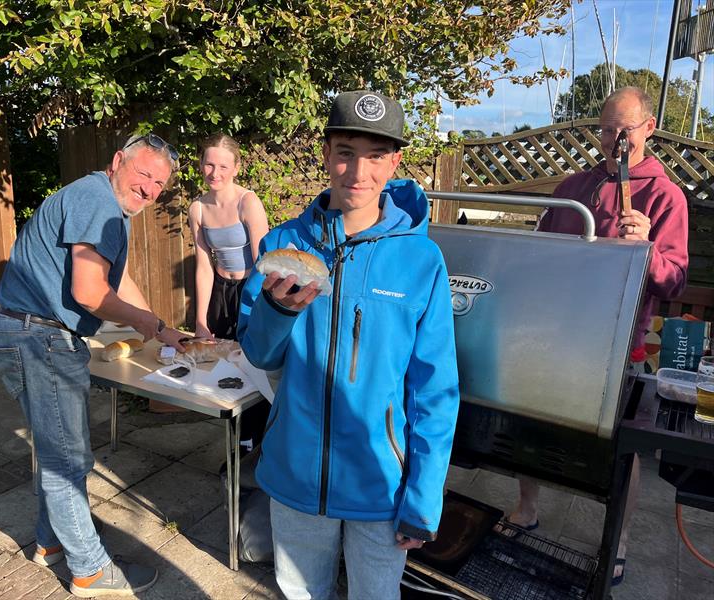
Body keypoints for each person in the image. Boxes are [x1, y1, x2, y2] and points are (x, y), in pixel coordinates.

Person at [237, 90, 461, 600]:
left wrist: (424, 500)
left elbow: (436, 391)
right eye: (345, 151)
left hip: (382, 486)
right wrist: (278, 314)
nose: (358, 171)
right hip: (294, 476)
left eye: (376, 155)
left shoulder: (422, 261)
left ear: (396, 161)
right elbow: (258, 354)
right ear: (325, 153)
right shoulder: (282, 245)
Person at [0, 133, 190, 598]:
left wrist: (160, 328)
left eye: (160, 183)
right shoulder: (98, 201)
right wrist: (142, 321)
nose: (151, 189)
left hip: (20, 330)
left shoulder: (101, 201)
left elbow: (119, 280)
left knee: (59, 450)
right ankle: (91, 570)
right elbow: (91, 293)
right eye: (144, 174)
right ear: (118, 161)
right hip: (38, 336)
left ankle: (51, 543)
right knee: (66, 460)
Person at [504, 86, 689, 586]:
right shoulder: (572, 186)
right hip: (553, 334)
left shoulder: (665, 196)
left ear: (648, 128)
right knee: (535, 426)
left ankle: (621, 538)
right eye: (606, 129)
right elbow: (538, 254)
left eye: (624, 129)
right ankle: (527, 507)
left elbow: (674, 281)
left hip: (617, 344)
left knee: (616, 450)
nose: (614, 140)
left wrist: (647, 246)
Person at [188, 133, 270, 450]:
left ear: (236, 167)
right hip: (222, 290)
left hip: (252, 289)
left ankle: (257, 441)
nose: (215, 173)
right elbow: (203, 266)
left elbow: (264, 261)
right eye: (209, 164)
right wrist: (200, 321)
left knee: (254, 363)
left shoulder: (247, 202)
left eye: (223, 165)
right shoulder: (198, 208)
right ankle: (238, 438)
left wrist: (255, 306)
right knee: (223, 364)